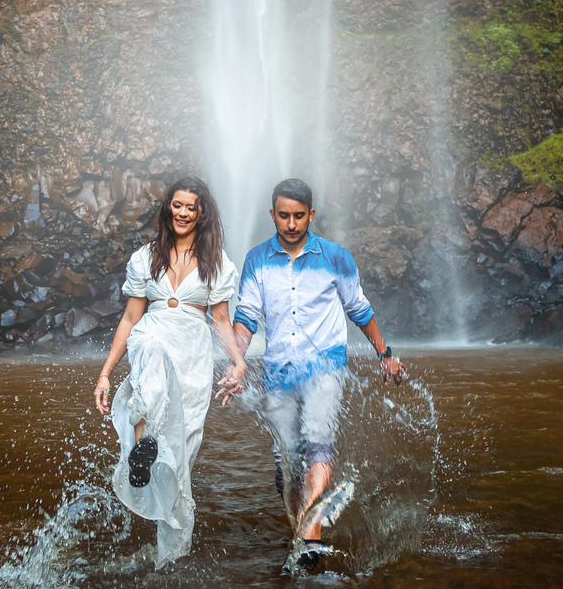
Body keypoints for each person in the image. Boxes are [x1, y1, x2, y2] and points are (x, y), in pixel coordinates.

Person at [223, 178, 403, 568]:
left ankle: (311, 537)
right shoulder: (256, 259)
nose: (290, 224)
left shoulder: (336, 257)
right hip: (278, 373)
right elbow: (246, 318)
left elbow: (359, 309)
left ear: (311, 215)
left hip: (325, 368)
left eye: (298, 216)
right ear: (272, 214)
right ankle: (301, 530)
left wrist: (384, 353)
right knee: (287, 461)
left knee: (318, 442)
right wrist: (237, 362)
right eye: (283, 216)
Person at [94, 177, 245, 568]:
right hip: (154, 334)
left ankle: (170, 556)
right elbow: (131, 318)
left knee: (182, 455)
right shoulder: (146, 257)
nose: (183, 212)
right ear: (168, 208)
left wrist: (237, 360)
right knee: (153, 356)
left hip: (194, 354)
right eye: (177, 205)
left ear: (201, 213)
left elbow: (222, 322)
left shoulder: (217, 262)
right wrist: (106, 373)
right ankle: (143, 445)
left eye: (191, 207)